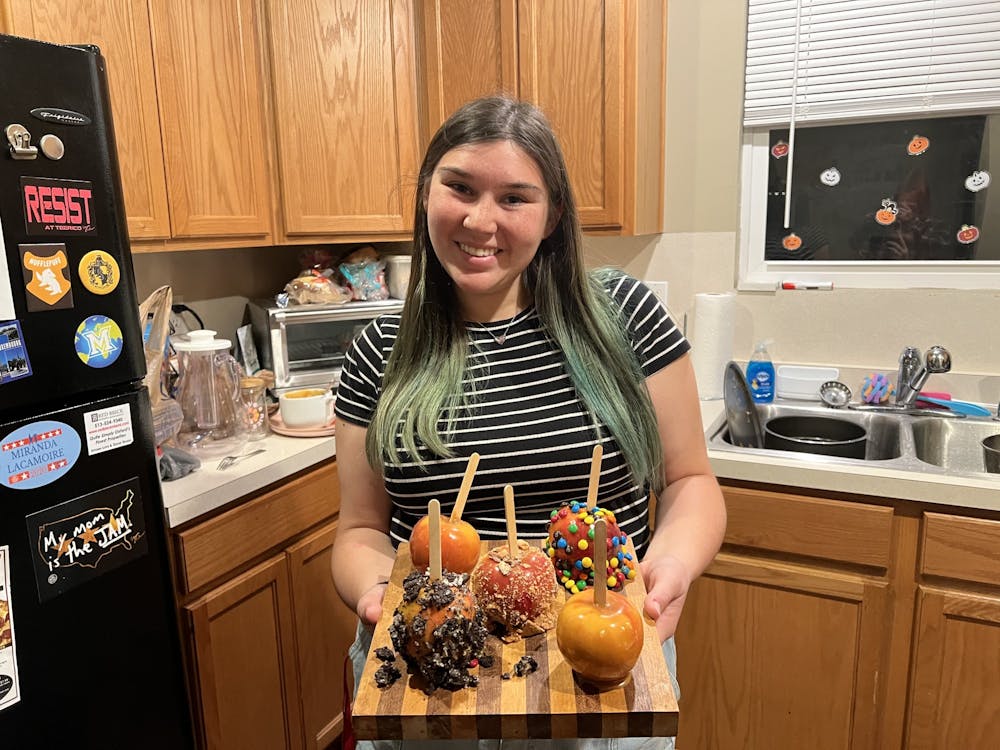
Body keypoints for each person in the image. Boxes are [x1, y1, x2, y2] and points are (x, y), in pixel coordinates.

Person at [331, 95, 727, 750]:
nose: (479, 219)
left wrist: (674, 567)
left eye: (514, 198)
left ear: (553, 217)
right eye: (458, 187)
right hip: (430, 681)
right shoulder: (380, 352)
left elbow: (690, 481)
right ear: (427, 193)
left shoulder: (626, 318)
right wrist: (377, 592)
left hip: (592, 668)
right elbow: (361, 528)